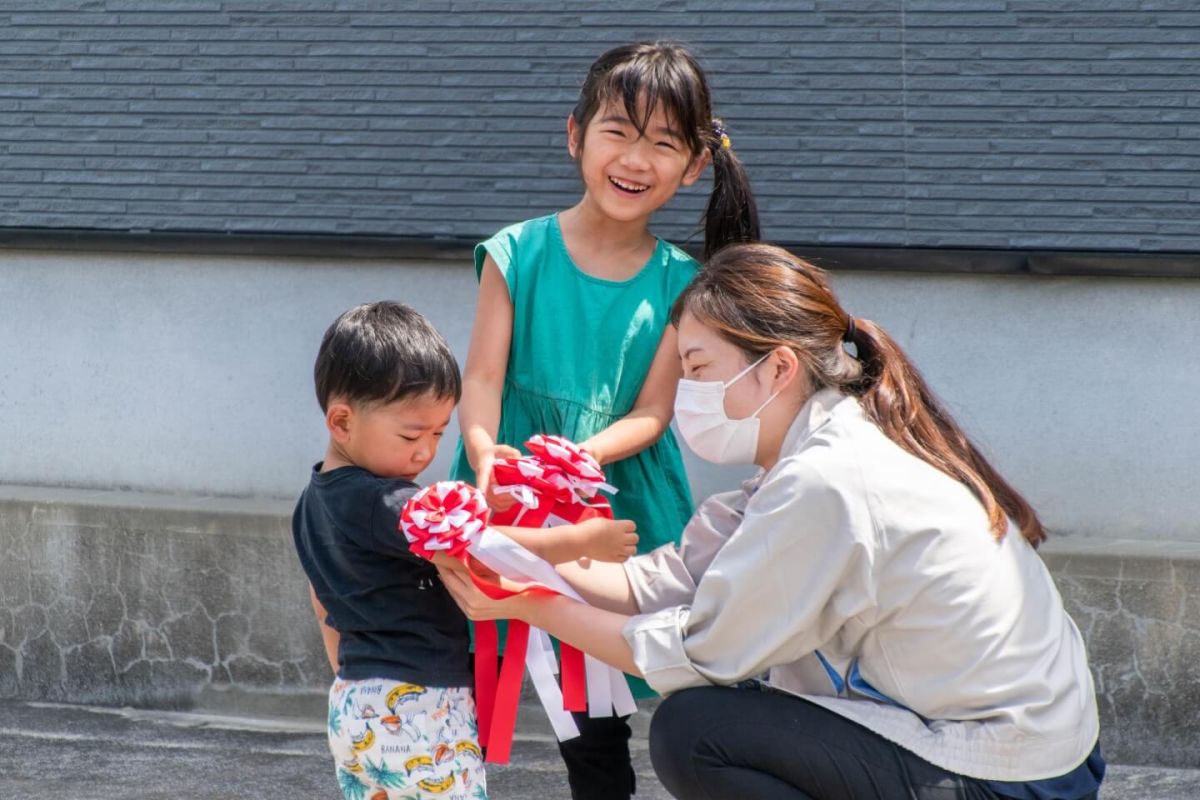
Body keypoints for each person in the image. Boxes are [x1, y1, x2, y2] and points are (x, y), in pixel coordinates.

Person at [438, 244, 1106, 800]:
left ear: (777, 367)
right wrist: (519, 549)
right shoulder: (823, 446)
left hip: (1009, 770)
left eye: (697, 368)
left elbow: (700, 651)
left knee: (695, 731)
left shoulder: (828, 479)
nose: (684, 394)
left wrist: (527, 605)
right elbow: (671, 579)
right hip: (1040, 744)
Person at [450, 40, 759, 800]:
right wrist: (487, 452)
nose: (636, 157)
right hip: (504, 492)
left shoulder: (681, 281)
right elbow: (483, 376)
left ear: (692, 166)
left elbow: (653, 413)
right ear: (575, 135)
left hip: (606, 501)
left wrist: (572, 460)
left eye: (663, 142)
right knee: (457, 663)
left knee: (593, 707)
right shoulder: (516, 252)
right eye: (619, 130)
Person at [292, 302, 635, 800]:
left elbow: (322, 603)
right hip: (418, 703)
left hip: (353, 701)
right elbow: (482, 547)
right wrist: (577, 541)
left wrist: (352, 676)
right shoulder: (387, 500)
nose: (426, 452)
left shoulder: (311, 502)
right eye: (411, 434)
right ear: (341, 422)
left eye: (437, 434)